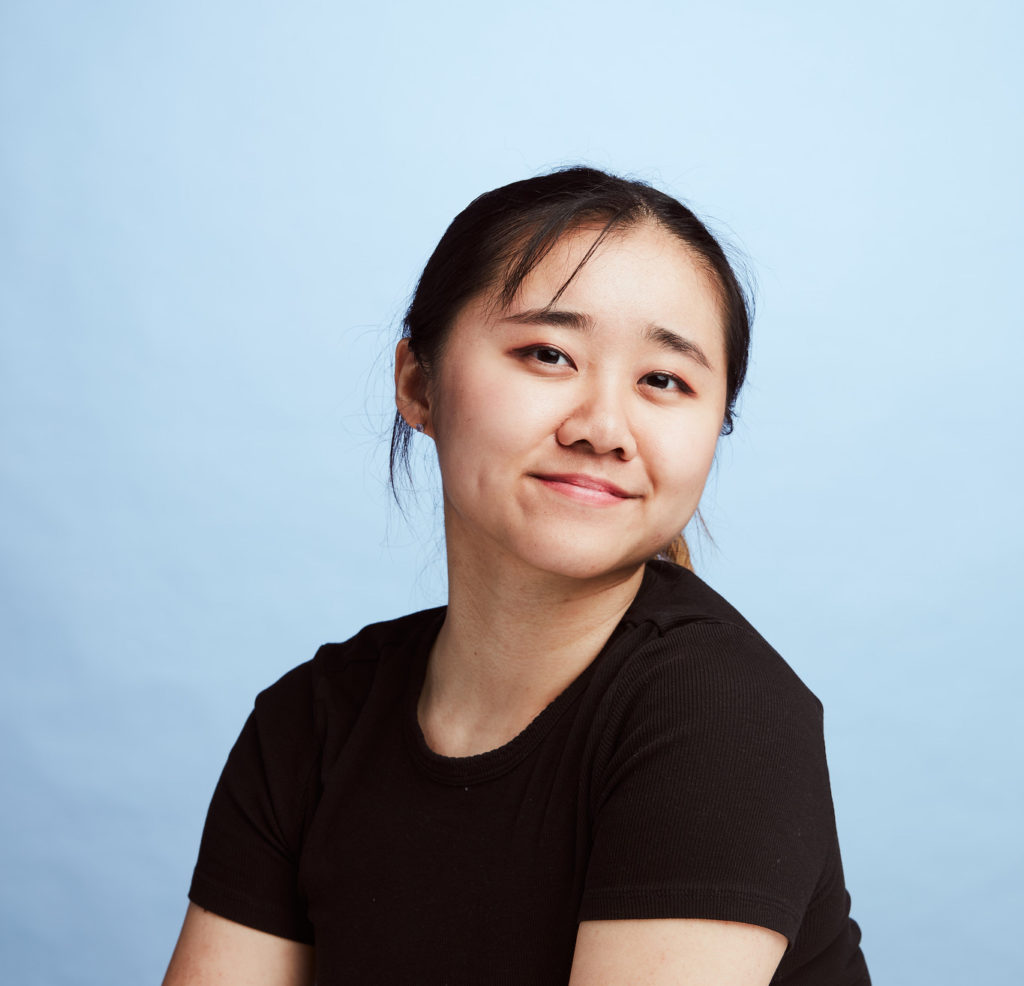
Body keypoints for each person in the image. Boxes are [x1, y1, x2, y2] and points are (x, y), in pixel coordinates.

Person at [163, 167, 870, 985]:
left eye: (664, 381)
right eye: (548, 353)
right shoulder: (311, 725)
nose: (604, 427)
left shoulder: (722, 714)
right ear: (417, 383)